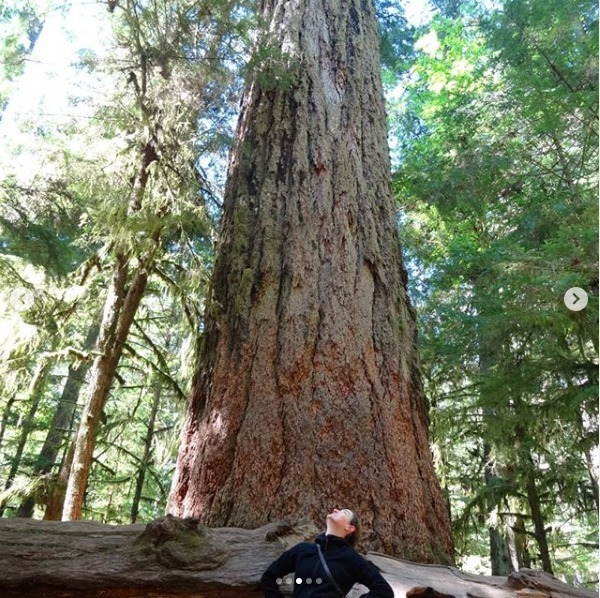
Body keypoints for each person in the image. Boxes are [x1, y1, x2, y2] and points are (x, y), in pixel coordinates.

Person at [260, 508, 394, 597]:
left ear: (349, 528)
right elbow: (269, 577)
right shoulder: (303, 550)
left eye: (344, 512)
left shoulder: (351, 559)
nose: (336, 509)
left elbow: (384, 591)